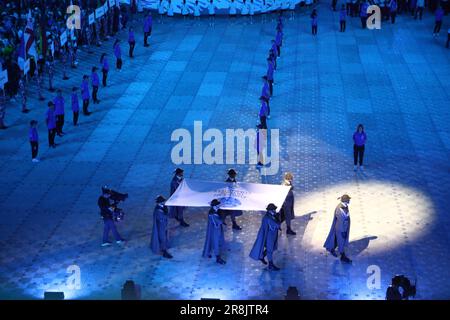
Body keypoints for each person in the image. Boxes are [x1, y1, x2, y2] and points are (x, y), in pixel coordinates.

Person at [249, 203, 281, 271]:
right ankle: (270, 264)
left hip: (273, 235)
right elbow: (276, 225)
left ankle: (263, 256)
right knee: (270, 250)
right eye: (273, 210)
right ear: (270, 210)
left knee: (272, 248)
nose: (275, 211)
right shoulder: (267, 218)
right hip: (270, 237)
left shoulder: (271, 216)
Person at [323, 194, 352, 263]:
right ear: (345, 200)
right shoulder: (340, 209)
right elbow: (341, 221)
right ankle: (342, 256)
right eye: (348, 199)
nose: (349, 200)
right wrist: (343, 231)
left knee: (336, 239)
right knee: (341, 242)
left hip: (341, 228)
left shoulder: (344, 206)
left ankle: (331, 248)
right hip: (341, 229)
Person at [202, 199, 226, 264]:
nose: (218, 206)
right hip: (215, 230)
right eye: (217, 205)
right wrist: (223, 217)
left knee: (215, 242)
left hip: (215, 229)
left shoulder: (214, 212)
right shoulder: (212, 214)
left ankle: (212, 253)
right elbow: (219, 222)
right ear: (214, 206)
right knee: (216, 242)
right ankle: (218, 257)